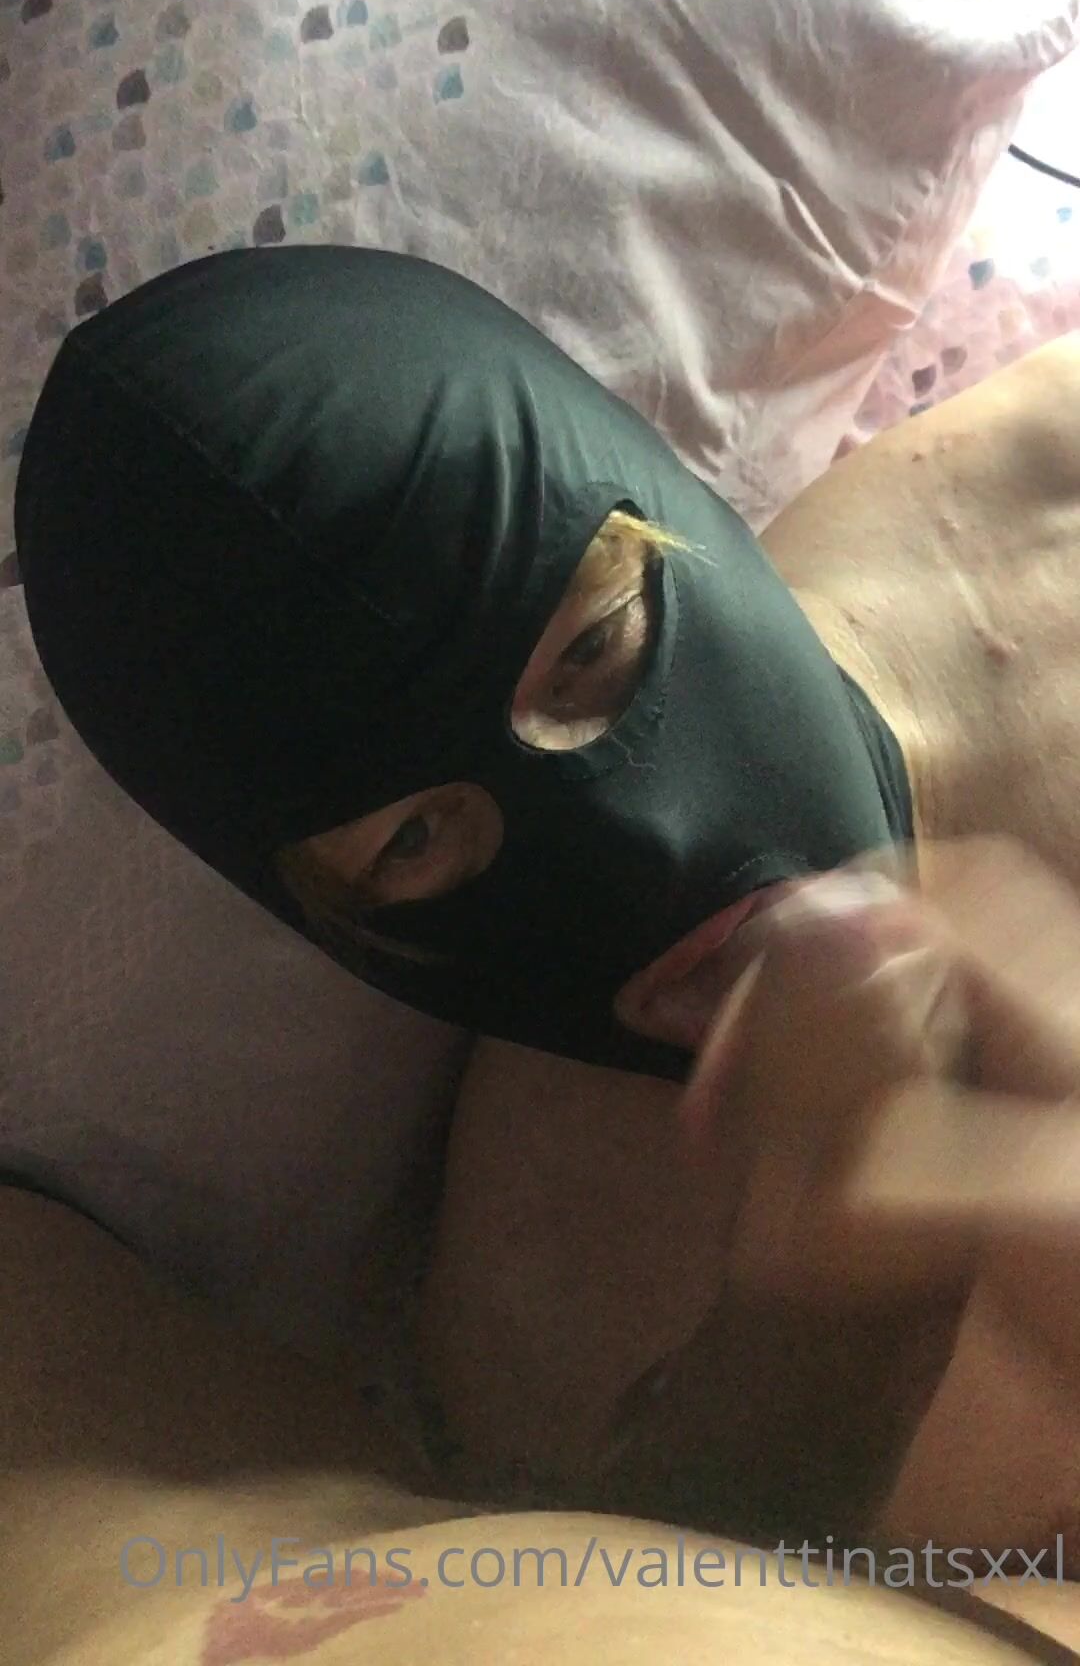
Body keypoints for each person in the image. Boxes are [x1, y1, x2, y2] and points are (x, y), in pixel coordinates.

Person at [9, 250, 1080, 1639]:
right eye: (413, 840)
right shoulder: (568, 1306)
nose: (642, 846)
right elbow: (696, 1609)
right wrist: (833, 1313)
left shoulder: (1042, 502)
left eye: (596, 650)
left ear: (671, 501)